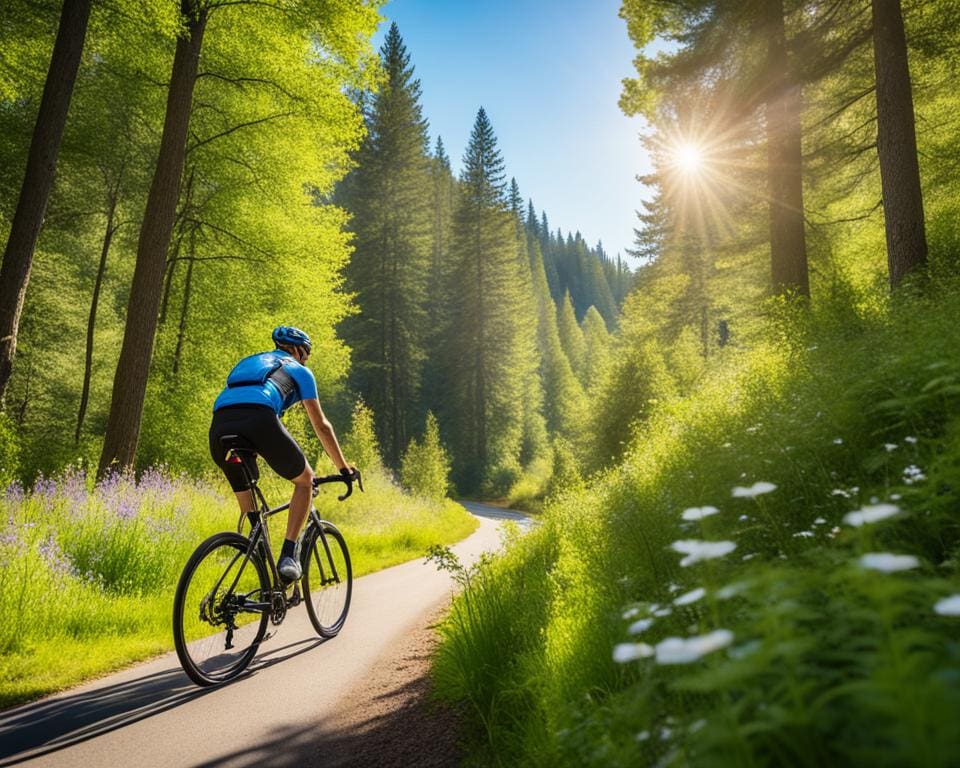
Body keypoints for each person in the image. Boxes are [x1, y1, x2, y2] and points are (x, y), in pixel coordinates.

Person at [209, 325, 354, 581]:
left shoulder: (250, 362)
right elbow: (321, 425)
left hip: (220, 426)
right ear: (299, 351)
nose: (306, 358)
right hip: (259, 419)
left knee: (251, 509)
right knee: (305, 480)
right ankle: (288, 556)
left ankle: (259, 562)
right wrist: (344, 468)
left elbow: (241, 401)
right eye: (306, 354)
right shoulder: (299, 370)